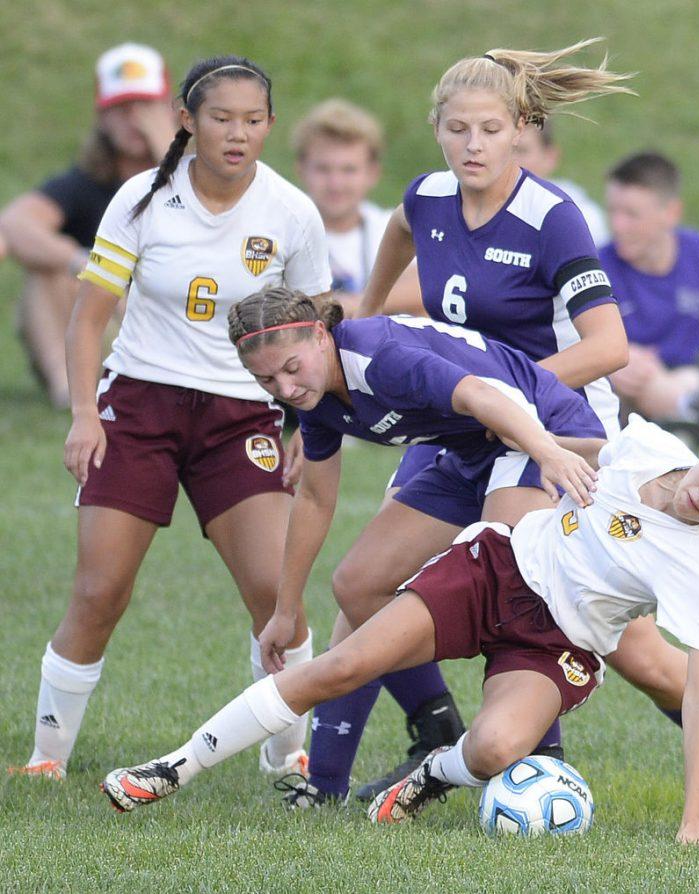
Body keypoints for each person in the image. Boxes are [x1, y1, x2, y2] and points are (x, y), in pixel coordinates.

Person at [99, 261, 699, 845]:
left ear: (320, 335)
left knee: (625, 671)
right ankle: (188, 766)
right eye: (269, 380)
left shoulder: (386, 354)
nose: (285, 385)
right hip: (483, 491)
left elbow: (495, 400)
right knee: (356, 598)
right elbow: (318, 497)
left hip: (533, 429)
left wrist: (547, 456)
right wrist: (286, 607)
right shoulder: (323, 386)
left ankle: (483, 761)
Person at [309, 39, 633, 805]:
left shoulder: (551, 217)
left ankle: (533, 763)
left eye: (489, 129)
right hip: (461, 424)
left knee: (508, 587)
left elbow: (611, 346)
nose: (473, 144)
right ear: (437, 129)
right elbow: (396, 227)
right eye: (457, 129)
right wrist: (368, 309)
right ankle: (415, 738)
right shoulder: (427, 198)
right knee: (359, 585)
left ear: (521, 127)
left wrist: (511, 399)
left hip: (553, 425)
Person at [6, 56, 332, 782]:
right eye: (221, 119)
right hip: (140, 407)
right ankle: (45, 761)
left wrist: (309, 428)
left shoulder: (290, 212)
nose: (238, 134)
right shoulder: (140, 199)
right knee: (99, 591)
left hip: (240, 415)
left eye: (253, 121)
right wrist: (85, 415)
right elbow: (89, 319)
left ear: (269, 126)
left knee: (276, 595)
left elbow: (318, 331)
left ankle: (289, 762)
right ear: (187, 121)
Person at [0, 43, 177, 408]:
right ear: (102, 118)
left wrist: (168, 152)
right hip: (104, 331)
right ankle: (68, 389)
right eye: (121, 110)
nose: (134, 121)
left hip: (175, 330)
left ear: (171, 114)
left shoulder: (201, 183)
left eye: (145, 109)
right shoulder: (89, 183)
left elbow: (206, 222)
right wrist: (85, 262)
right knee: (47, 269)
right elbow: (15, 223)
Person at [600, 151, 699, 440]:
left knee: (692, 378)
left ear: (670, 214)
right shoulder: (597, 267)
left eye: (631, 214)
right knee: (641, 374)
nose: (618, 225)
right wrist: (610, 364)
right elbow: (573, 339)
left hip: (689, 376)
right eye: (612, 211)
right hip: (625, 391)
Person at [292, 98, 422, 316]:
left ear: (373, 173)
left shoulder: (387, 225)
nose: (336, 184)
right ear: (301, 169)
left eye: (349, 170)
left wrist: (350, 305)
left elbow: (426, 286)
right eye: (323, 169)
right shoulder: (283, 225)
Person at [512, 118, 609, 247]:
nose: (510, 161)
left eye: (521, 151)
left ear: (550, 157)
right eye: (503, 150)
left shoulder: (581, 218)